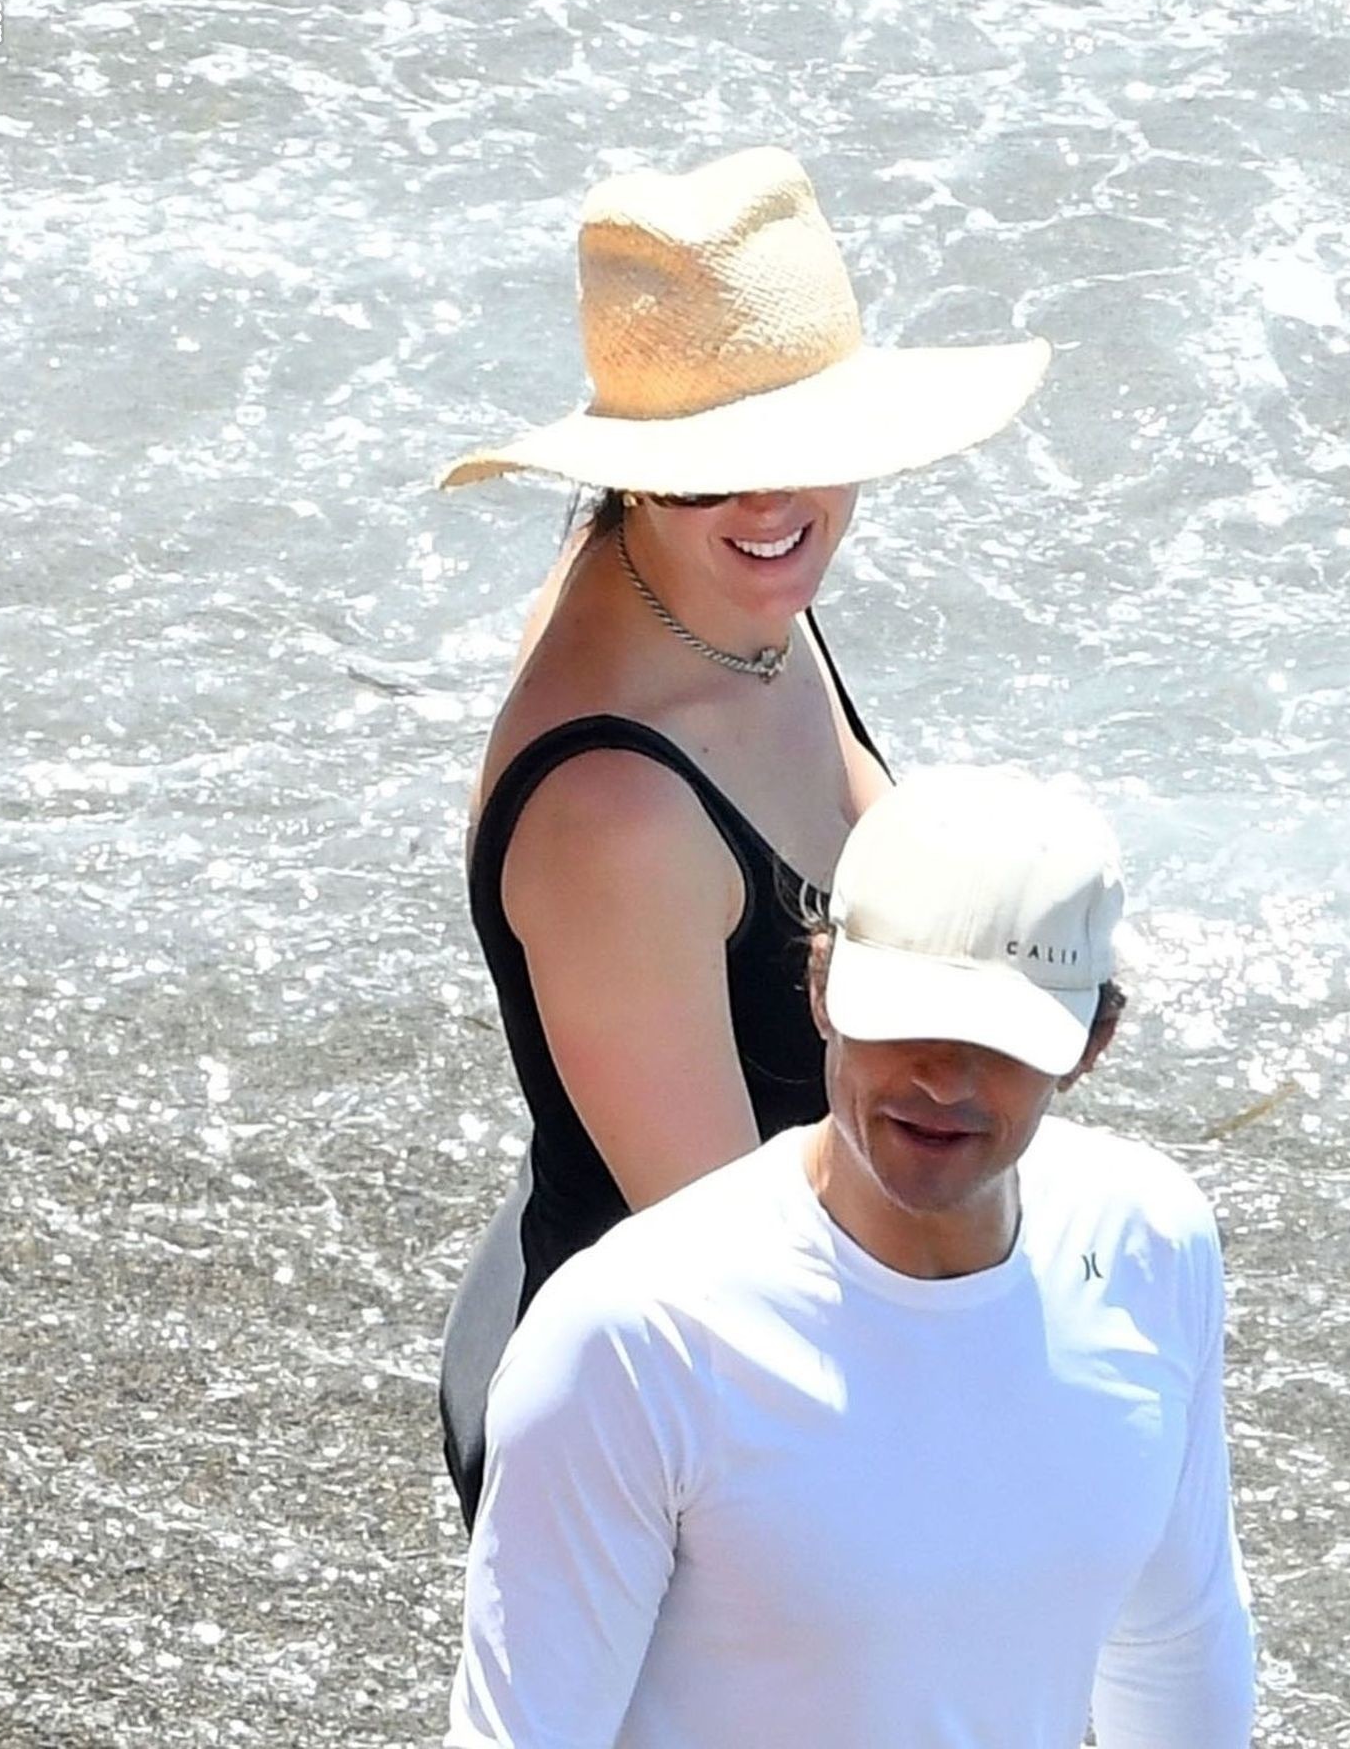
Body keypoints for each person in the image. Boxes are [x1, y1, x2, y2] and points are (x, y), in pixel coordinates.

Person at [435, 146, 1053, 1527]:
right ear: (636, 476)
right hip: (665, 1425)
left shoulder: (718, 591)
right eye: (709, 471)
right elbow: (726, 1268)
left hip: (766, 1323)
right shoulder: (615, 815)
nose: (767, 504)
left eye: (799, 443)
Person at [445, 764, 1256, 1749]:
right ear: (821, 987)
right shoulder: (634, 1336)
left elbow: (1175, 1644)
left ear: (1093, 1041)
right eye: (906, 1019)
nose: (944, 1080)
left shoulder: (1148, 1242)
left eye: (1001, 1040)